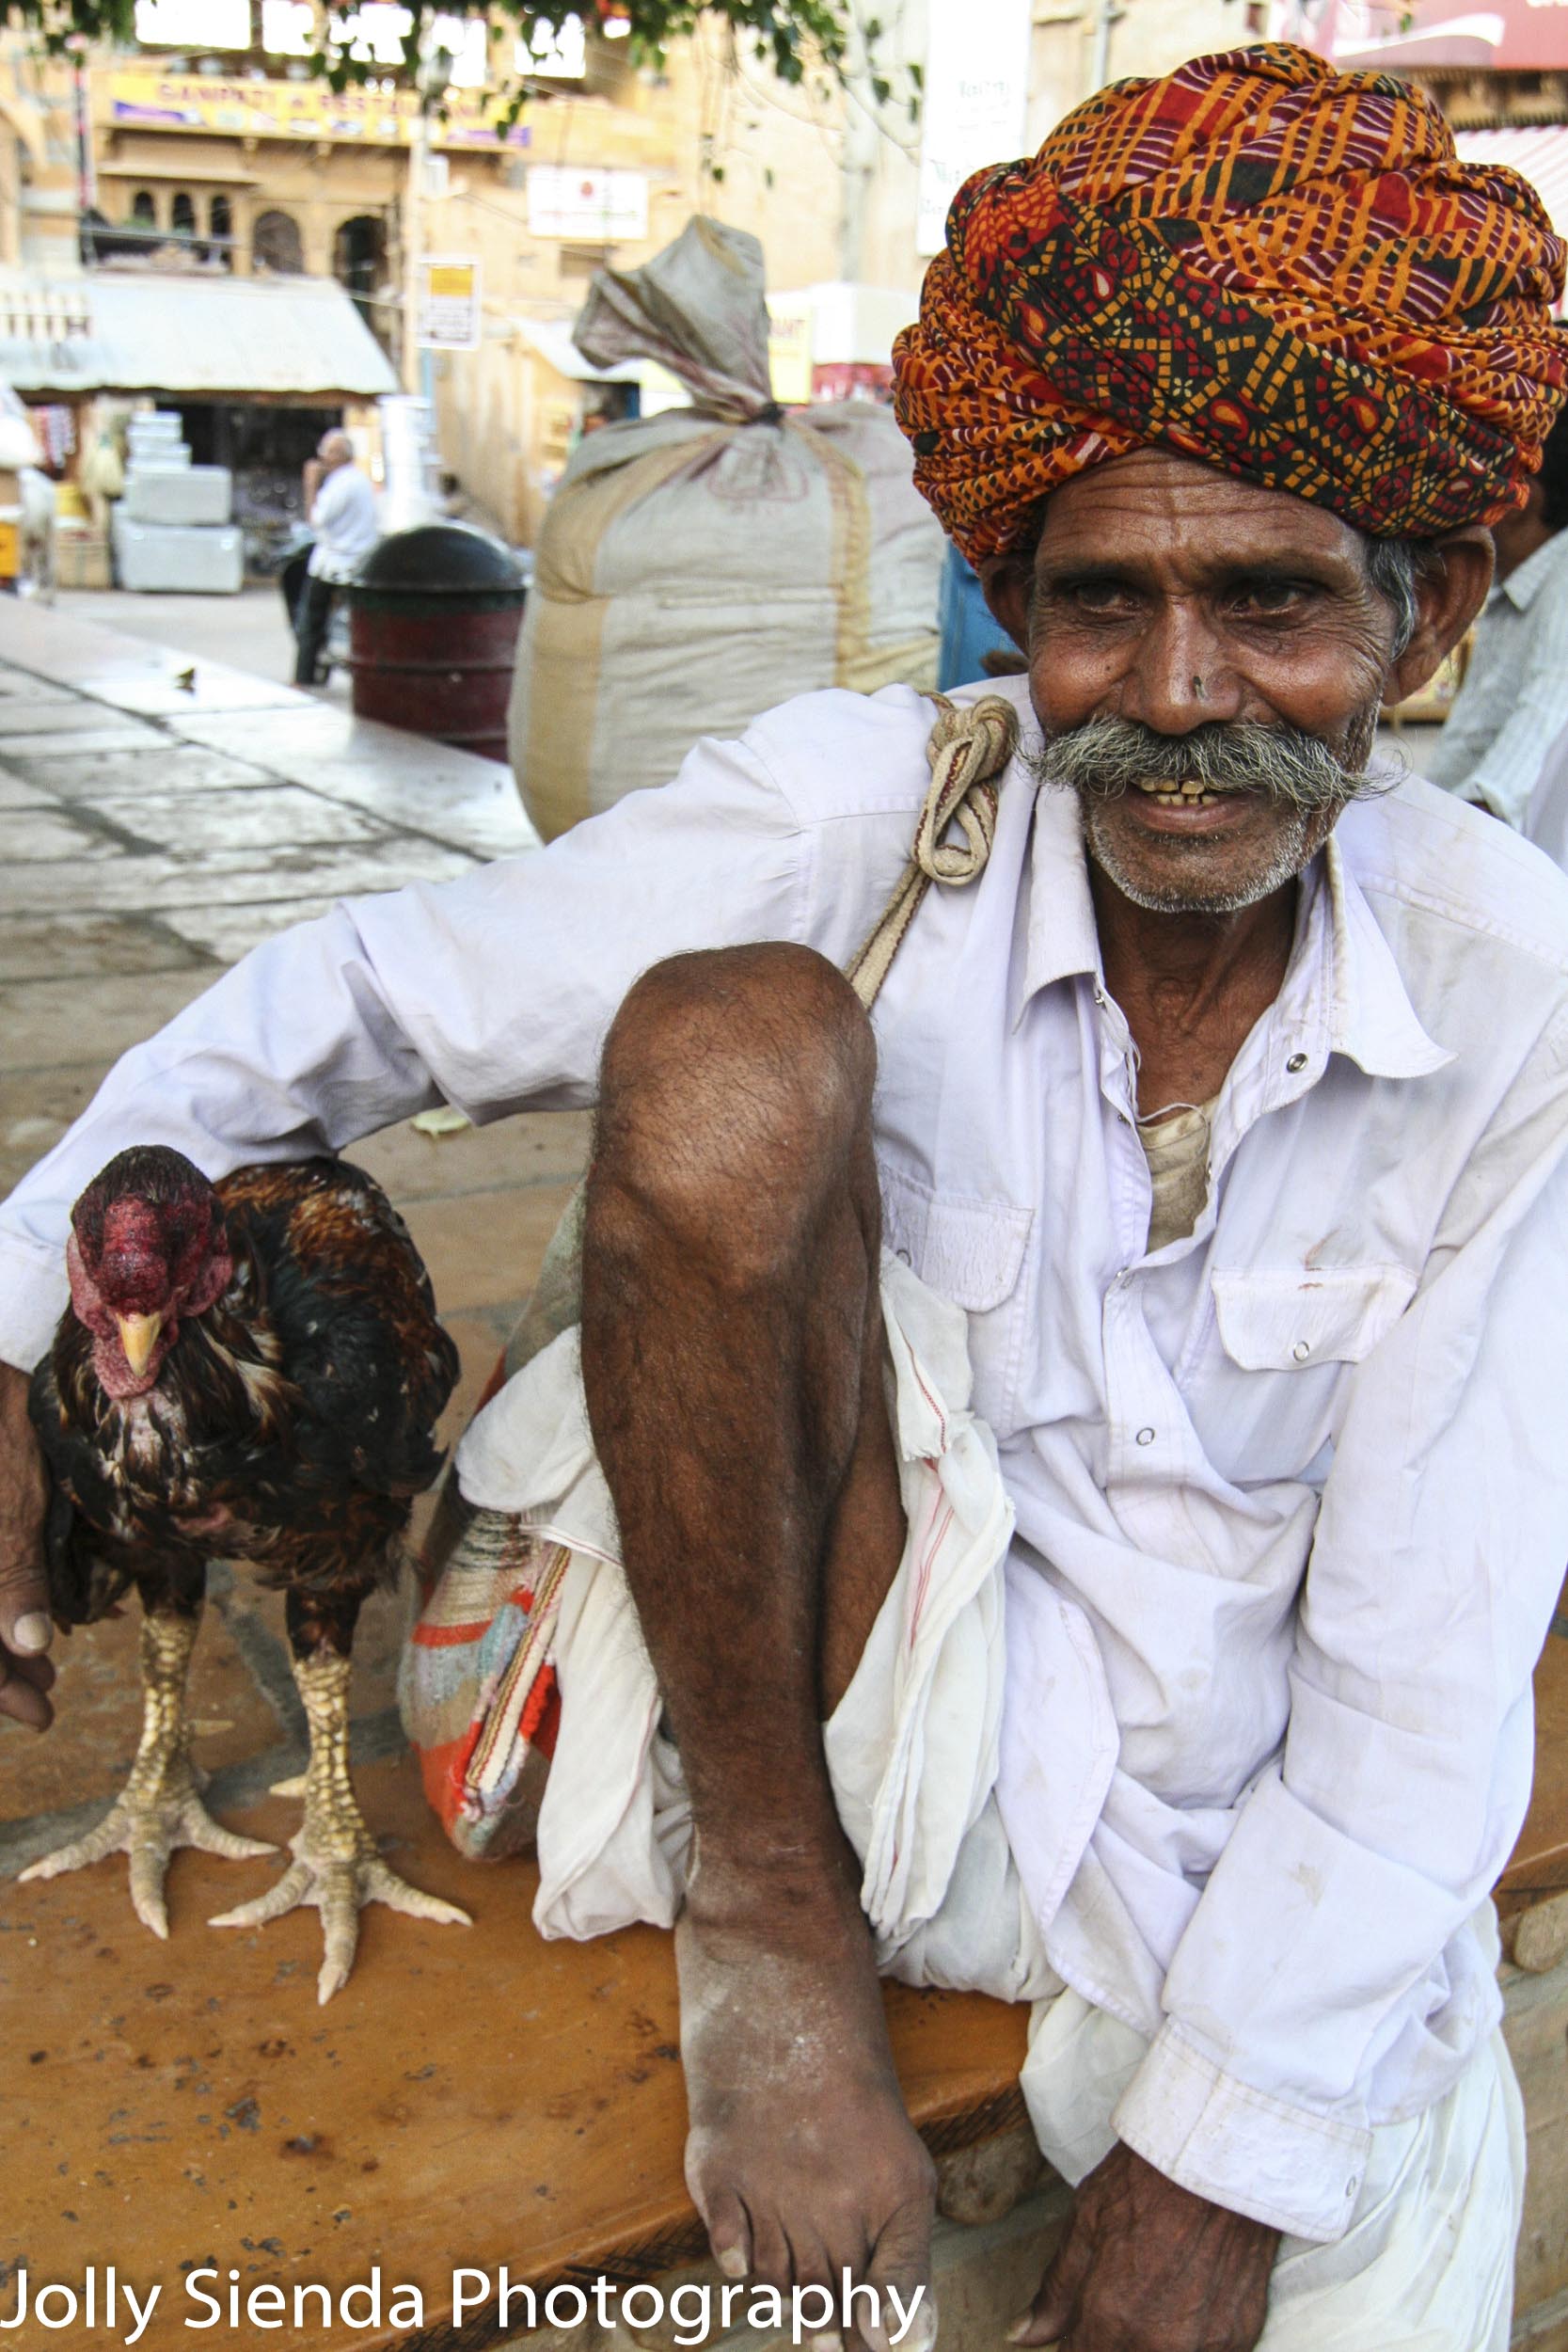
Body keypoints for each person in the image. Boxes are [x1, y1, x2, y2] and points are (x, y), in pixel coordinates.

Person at [3, 42, 1568, 2352]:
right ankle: (770, 1931)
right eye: (1097, 602)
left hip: (1226, 1827)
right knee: (733, 1048)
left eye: (1272, 605)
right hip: (804, 1727)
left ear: (1425, 631)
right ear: (1010, 603)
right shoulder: (869, 813)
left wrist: (1212, 2181)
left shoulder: (1512, 1001)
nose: (1172, 692)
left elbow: (1429, 1666)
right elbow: (357, 994)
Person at [1423, 407, 1568, 823]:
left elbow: (1538, 728)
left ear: (1523, 501)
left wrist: (1458, 834)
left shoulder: (1562, 585)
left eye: (1471, 484)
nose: (1453, 500)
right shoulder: (1514, 586)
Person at [293, 427, 377, 688]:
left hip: (336, 563)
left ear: (340, 455)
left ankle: (304, 676)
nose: (323, 457)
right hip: (355, 560)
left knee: (311, 620)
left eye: (327, 452)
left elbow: (317, 519)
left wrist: (310, 485)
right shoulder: (358, 481)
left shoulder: (341, 484)